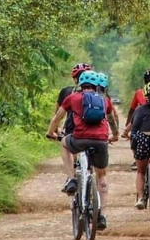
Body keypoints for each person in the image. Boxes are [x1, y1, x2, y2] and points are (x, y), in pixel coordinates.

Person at [47, 70, 120, 230]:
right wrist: (114, 135)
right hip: (101, 141)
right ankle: (102, 215)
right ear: (96, 86)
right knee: (102, 176)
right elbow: (112, 121)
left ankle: (72, 179)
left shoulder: (72, 98)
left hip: (79, 139)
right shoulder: (104, 100)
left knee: (65, 144)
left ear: (80, 84)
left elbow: (57, 118)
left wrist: (51, 132)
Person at [55, 63, 91, 194]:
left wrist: (54, 130)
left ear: (75, 79)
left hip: (72, 127)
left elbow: (57, 114)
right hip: (95, 131)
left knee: (68, 147)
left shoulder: (66, 92)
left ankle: (71, 178)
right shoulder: (99, 93)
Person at [96, 72, 121, 138]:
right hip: (102, 135)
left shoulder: (83, 97)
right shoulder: (106, 99)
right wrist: (115, 134)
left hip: (82, 136)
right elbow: (111, 119)